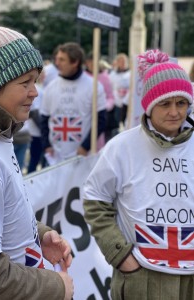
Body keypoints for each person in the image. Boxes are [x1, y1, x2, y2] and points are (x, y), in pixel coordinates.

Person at [0, 9, 73, 300]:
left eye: (35, 81)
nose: (35, 92)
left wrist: (39, 234)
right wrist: (57, 288)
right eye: (24, 82)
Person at [83, 49, 194, 300]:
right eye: (165, 103)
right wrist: (120, 255)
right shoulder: (122, 147)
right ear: (149, 106)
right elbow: (95, 200)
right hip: (143, 277)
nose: (175, 112)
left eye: (182, 103)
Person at [40, 42, 106, 165]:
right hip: (55, 156)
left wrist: (85, 147)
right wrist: (47, 145)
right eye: (56, 59)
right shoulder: (50, 87)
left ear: (75, 62)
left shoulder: (94, 86)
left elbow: (100, 121)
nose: (57, 63)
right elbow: (44, 119)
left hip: (82, 156)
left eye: (62, 60)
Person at [85, 53, 115, 145]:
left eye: (94, 63)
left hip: (99, 114)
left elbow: (110, 97)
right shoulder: (83, 77)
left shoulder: (105, 78)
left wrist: (105, 106)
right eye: (90, 63)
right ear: (86, 63)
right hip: (85, 115)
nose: (92, 65)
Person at [109, 53, 131, 132]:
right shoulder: (112, 75)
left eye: (124, 61)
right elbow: (109, 88)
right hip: (116, 104)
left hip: (128, 104)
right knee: (117, 125)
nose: (123, 63)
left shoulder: (131, 74)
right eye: (121, 61)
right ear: (117, 62)